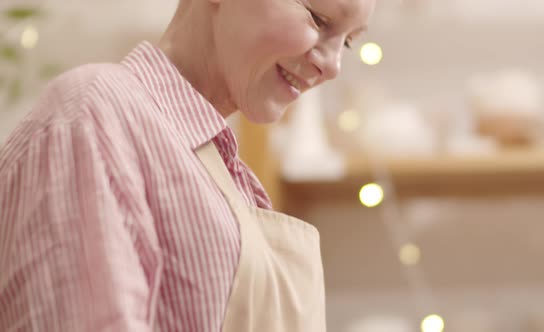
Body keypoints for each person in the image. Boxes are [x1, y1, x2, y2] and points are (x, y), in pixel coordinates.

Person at [0, 0, 374, 330]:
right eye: (319, 20)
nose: (333, 65)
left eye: (348, 41)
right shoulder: (96, 116)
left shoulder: (224, 173)